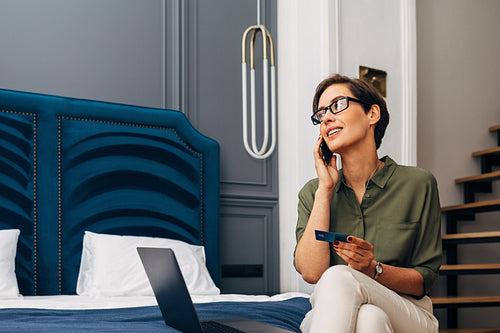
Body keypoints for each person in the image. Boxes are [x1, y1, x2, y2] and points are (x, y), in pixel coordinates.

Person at [294, 74, 442, 333]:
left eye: (337, 105)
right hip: (333, 308)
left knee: (340, 277)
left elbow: (424, 279)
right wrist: (325, 190)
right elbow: (311, 273)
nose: (326, 118)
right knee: (370, 319)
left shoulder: (418, 183)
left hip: (408, 310)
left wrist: (373, 269)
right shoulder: (314, 192)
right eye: (320, 113)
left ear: (372, 114)